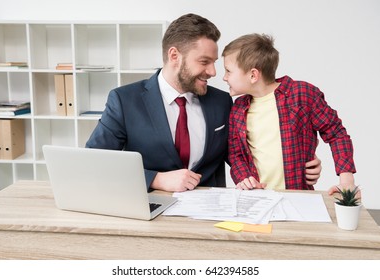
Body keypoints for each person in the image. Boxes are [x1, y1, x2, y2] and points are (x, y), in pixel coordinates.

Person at [86, 14, 321, 192]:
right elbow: (95, 163)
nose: (213, 71)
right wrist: (156, 178)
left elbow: (245, 152)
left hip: (213, 217)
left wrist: (301, 159)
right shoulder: (124, 101)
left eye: (215, 62)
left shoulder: (222, 102)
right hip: (149, 209)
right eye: (204, 61)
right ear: (174, 56)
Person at [222, 33, 356, 195]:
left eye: (228, 71)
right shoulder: (238, 108)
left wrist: (346, 181)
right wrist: (244, 178)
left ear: (253, 75)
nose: (224, 77)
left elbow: (336, 133)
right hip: (257, 198)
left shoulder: (302, 95)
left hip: (299, 197)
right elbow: (236, 155)